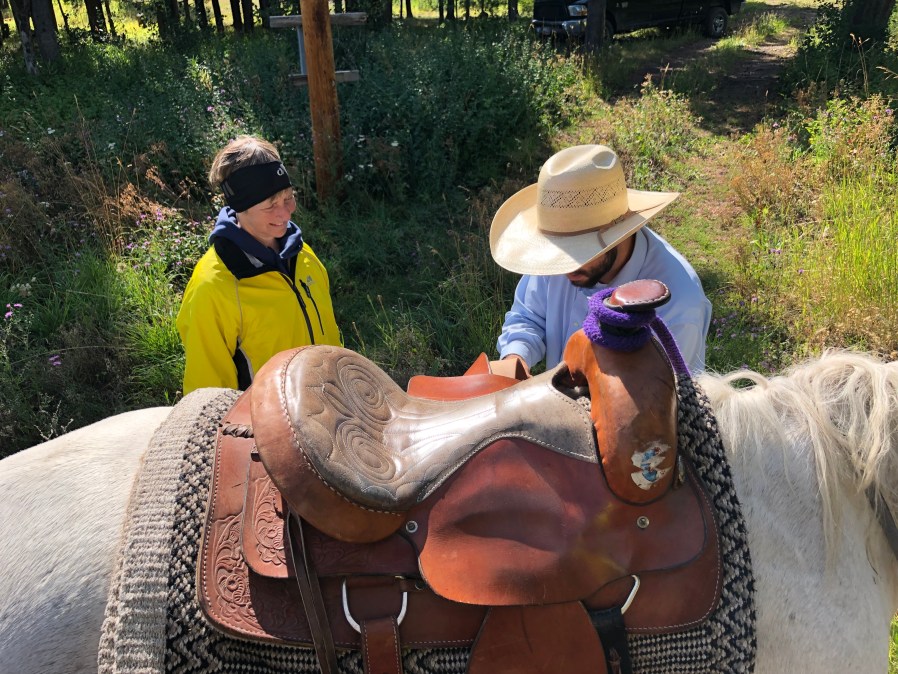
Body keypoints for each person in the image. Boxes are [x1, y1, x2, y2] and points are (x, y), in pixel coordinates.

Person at [491, 144, 711, 374]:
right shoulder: (558, 262)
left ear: (619, 235)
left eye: (578, 252)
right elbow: (529, 316)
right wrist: (515, 358)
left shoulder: (680, 303)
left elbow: (668, 390)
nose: (563, 268)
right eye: (557, 252)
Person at [177, 135, 342, 394]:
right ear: (240, 207)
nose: (285, 213)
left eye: (288, 197)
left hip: (330, 405)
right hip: (267, 418)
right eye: (270, 205)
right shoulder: (213, 288)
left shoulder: (303, 255)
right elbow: (206, 396)